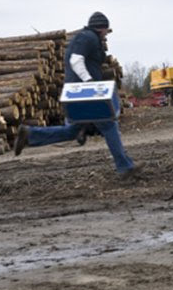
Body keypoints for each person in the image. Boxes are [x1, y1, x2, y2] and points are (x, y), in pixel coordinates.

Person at [14, 12, 142, 178]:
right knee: (109, 125)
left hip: (77, 92)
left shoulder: (86, 38)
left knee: (72, 131)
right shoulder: (87, 37)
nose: (106, 35)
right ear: (102, 28)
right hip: (84, 92)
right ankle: (125, 167)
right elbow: (76, 60)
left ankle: (30, 135)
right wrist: (89, 83)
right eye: (106, 31)